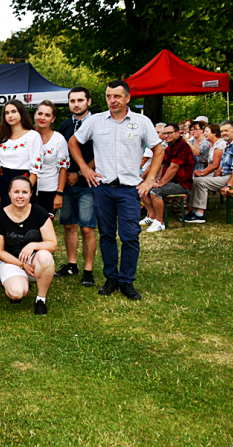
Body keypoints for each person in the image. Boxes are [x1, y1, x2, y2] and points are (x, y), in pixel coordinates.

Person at [69, 80, 163, 301]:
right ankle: (111, 278)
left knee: (130, 236)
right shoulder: (96, 121)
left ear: (127, 98)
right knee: (107, 235)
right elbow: (73, 143)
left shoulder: (142, 122)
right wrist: (84, 169)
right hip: (103, 188)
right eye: (109, 96)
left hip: (130, 189)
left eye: (117, 96)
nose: (112, 100)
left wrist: (149, 180)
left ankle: (127, 281)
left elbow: (158, 149)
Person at [0, 176, 57, 315]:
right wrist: (22, 264)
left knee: (45, 256)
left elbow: (52, 244)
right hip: (11, 261)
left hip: (35, 260)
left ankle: (41, 299)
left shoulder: (39, 213)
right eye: (16, 192)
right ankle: (21, 281)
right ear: (9, 193)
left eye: (25, 192)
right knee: (16, 293)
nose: (20, 196)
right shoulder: (0, 217)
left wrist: (33, 245)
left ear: (31, 194)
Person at [55, 87, 98, 286]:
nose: (76, 104)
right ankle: (72, 264)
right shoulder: (65, 125)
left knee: (87, 228)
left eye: (80, 100)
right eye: (72, 101)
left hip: (88, 183)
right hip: (66, 182)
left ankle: (88, 270)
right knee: (69, 225)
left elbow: (101, 154)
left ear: (88, 102)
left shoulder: (98, 123)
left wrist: (80, 174)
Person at [186, 120, 233, 224]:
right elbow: (221, 166)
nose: (223, 133)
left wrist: (228, 185)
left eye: (226, 131)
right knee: (197, 180)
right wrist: (214, 179)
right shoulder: (228, 144)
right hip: (227, 176)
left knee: (200, 182)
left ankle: (199, 215)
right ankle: (193, 210)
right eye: (222, 131)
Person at [139, 123, 194, 232]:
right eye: (164, 133)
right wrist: (156, 180)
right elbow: (162, 166)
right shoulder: (169, 148)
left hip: (182, 184)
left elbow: (173, 167)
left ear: (178, 133)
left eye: (170, 133)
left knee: (156, 192)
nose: (166, 136)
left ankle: (159, 222)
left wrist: (161, 183)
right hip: (171, 182)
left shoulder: (182, 146)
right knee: (142, 188)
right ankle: (151, 216)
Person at [0, 100, 42, 209]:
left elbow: (35, 170)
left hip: (24, 181)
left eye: (14, 111)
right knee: (4, 220)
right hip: (3, 183)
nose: (10, 115)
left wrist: (25, 191)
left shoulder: (33, 136)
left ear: (21, 113)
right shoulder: (1, 137)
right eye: (7, 113)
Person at [33, 100, 69, 216]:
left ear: (53, 119)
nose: (42, 117)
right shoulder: (27, 136)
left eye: (47, 115)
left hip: (49, 190)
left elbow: (63, 168)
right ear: (35, 115)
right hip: (28, 189)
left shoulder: (58, 139)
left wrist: (59, 193)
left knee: (45, 227)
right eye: (40, 113)